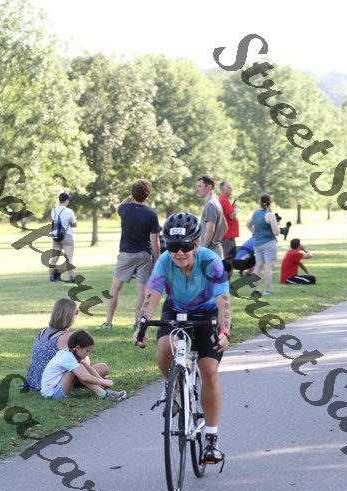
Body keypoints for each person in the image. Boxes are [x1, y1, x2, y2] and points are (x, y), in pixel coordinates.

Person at [133, 212, 231, 467]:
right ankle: (173, 388)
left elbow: (224, 301)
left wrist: (224, 331)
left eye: (185, 246)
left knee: (209, 370)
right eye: (173, 246)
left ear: (196, 245)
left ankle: (211, 439)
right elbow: (151, 297)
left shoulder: (211, 261)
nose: (179, 252)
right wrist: (141, 326)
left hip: (208, 313)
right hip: (176, 310)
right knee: (165, 346)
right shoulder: (164, 261)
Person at [96, 179, 161, 332]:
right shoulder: (151, 214)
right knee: (141, 291)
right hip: (144, 255)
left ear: (132, 193)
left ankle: (108, 322)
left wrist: (131, 196)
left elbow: (121, 204)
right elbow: (155, 241)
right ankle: (137, 323)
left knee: (115, 288)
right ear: (148, 194)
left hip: (126, 255)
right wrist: (157, 260)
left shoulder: (124, 209)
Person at [41, 329, 126, 401]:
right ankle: (103, 394)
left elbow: (89, 368)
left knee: (81, 367)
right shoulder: (67, 357)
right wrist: (104, 382)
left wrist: (102, 382)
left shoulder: (74, 353)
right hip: (53, 393)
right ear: (78, 348)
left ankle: (102, 391)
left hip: (60, 386)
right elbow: (84, 377)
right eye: (87, 351)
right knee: (79, 370)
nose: (88, 354)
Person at [246, 194, 280, 296]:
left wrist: (256, 232)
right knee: (269, 267)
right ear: (270, 203)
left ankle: (254, 290)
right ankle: (267, 291)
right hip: (269, 243)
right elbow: (276, 232)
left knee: (258, 266)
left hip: (257, 244)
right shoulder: (270, 215)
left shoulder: (255, 213)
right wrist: (277, 225)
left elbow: (248, 225)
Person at [49, 192, 77, 284]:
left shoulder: (53, 210)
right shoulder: (69, 211)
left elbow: (53, 221)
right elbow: (74, 224)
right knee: (69, 259)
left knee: (54, 258)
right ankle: (72, 278)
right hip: (67, 236)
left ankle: (51, 278)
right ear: (66, 201)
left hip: (56, 236)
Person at [197, 175, 227, 259]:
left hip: (210, 252)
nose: (197, 189)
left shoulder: (210, 204)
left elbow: (210, 230)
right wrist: (216, 240)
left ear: (209, 187)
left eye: (200, 186)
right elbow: (225, 227)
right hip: (217, 250)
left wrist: (202, 250)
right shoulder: (216, 202)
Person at [218, 181, 239, 275]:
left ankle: (224, 280)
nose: (231, 189)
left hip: (225, 235)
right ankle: (225, 281)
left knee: (227, 258)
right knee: (229, 259)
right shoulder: (224, 200)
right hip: (228, 236)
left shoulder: (221, 200)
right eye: (229, 187)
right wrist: (235, 208)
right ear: (222, 189)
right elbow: (232, 216)